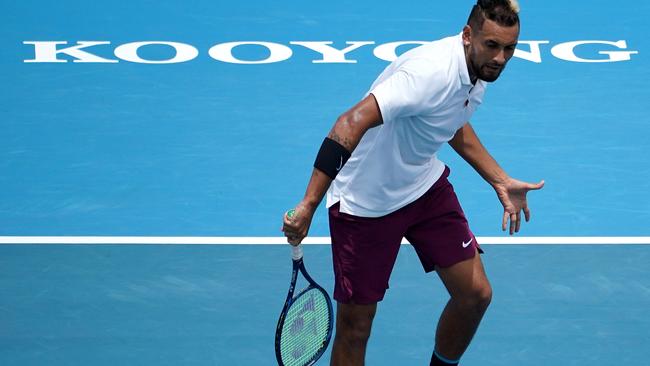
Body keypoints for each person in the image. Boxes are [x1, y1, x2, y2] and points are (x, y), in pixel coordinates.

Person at [282, 0, 544, 364]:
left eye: (509, 48)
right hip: (366, 202)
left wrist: (498, 178)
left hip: (422, 187)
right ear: (468, 36)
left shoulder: (478, 70)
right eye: (493, 45)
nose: (500, 58)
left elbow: (449, 120)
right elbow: (349, 122)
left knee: (475, 295)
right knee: (356, 327)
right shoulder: (428, 73)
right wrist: (309, 204)